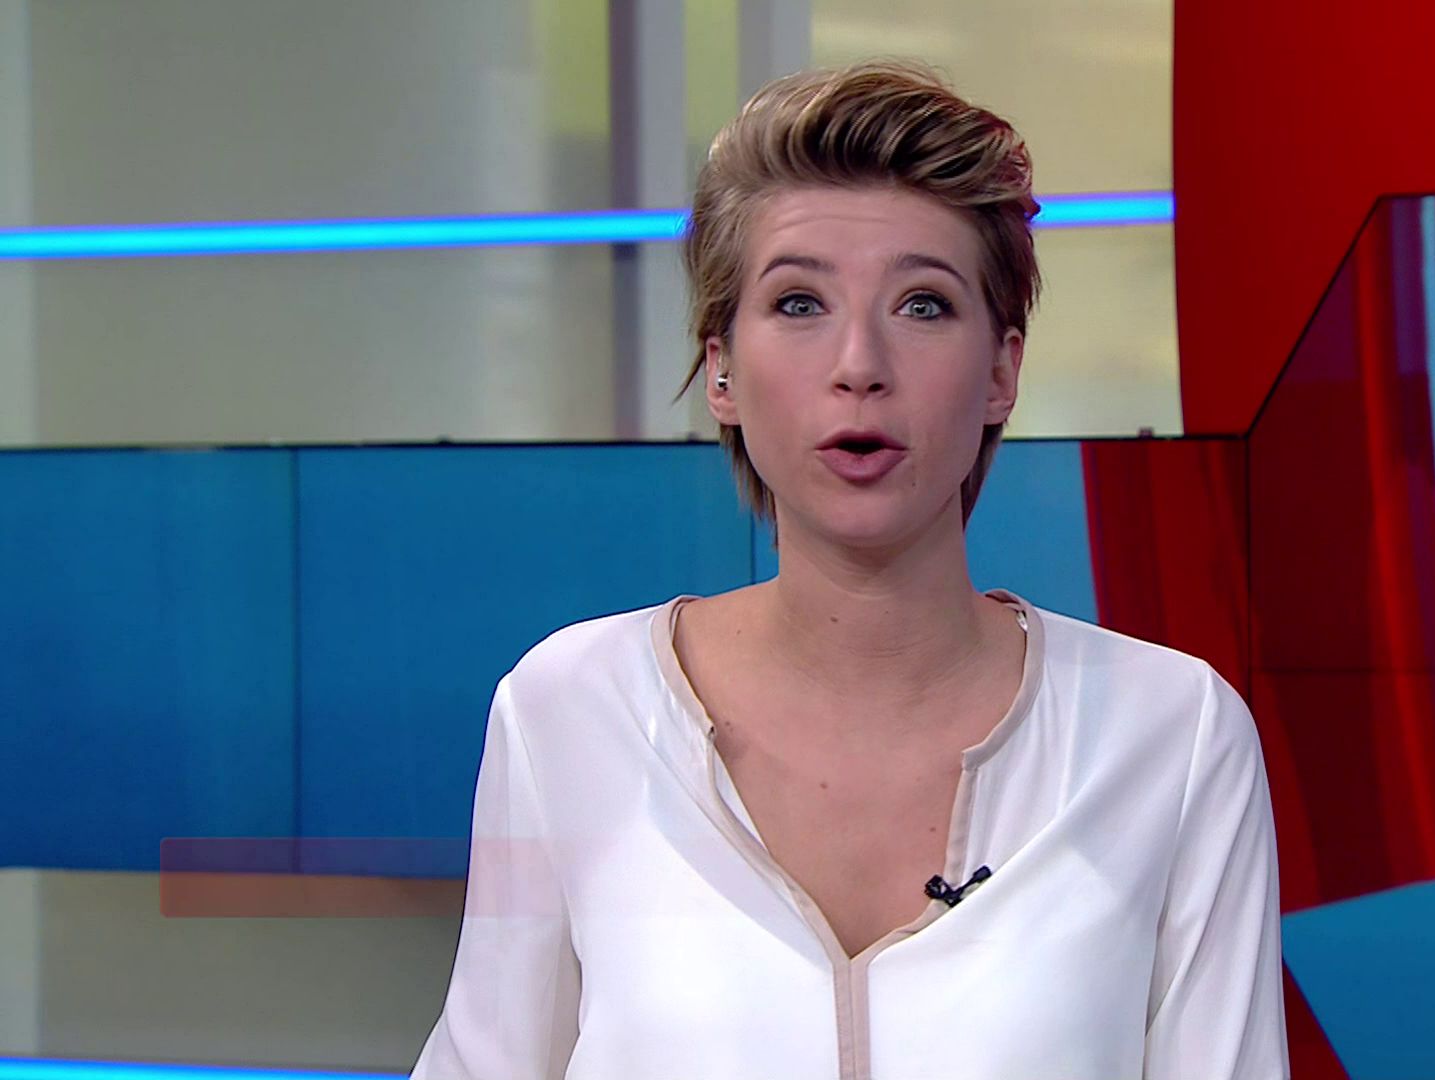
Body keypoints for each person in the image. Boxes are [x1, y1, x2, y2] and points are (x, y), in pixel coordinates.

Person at [410, 60, 1288, 1080]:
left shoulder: (1171, 738)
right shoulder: (569, 710)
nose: (859, 364)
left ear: (1001, 370)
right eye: (798, 303)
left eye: (923, 305)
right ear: (721, 368)